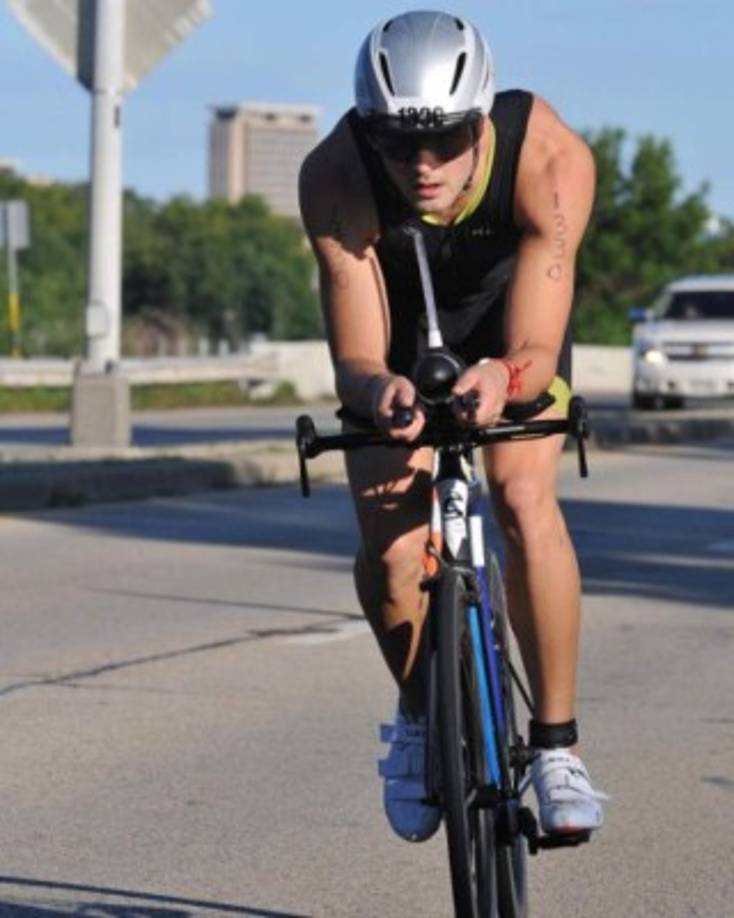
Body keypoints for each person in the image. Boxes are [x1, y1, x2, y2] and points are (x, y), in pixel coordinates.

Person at [299, 10, 608, 842]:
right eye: (399, 143)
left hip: (512, 333)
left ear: (481, 120)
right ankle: (419, 717)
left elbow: (538, 348)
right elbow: (355, 361)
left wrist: (504, 378)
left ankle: (555, 745)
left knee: (519, 495)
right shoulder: (336, 174)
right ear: (371, 131)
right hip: (399, 341)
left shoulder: (549, 159)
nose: (422, 165)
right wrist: (382, 394)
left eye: (443, 140)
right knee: (394, 551)